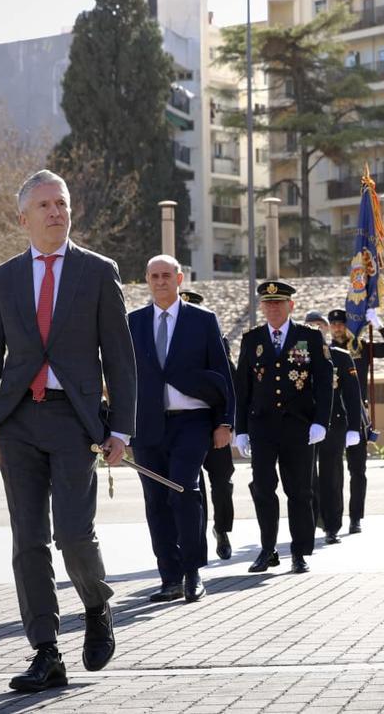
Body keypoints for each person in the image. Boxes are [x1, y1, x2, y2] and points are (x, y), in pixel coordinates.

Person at [0, 170, 135, 692]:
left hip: (73, 420)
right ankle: (45, 651)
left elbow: (121, 360)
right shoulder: (4, 278)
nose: (55, 212)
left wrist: (121, 431)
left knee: (73, 534)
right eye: (43, 205)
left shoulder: (97, 272)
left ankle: (97, 605)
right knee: (29, 541)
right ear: (24, 218)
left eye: (61, 203)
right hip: (17, 420)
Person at [128, 258, 234, 604]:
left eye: (166, 276)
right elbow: (121, 379)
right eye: (154, 276)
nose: (160, 282)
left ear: (179, 279)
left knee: (184, 491)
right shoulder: (134, 323)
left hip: (192, 421)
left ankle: (192, 572)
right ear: (147, 280)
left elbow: (222, 374)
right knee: (156, 502)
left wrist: (224, 422)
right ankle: (169, 576)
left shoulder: (202, 320)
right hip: (148, 426)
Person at [234, 281, 332, 574]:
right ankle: (268, 550)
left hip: (299, 426)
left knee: (299, 490)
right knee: (263, 488)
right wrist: (240, 429)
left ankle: (300, 552)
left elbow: (325, 383)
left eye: (279, 303)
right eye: (268, 303)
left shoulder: (309, 337)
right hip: (262, 426)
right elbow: (243, 387)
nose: (273, 308)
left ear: (291, 306)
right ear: (261, 307)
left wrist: (320, 421)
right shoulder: (252, 339)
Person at [328, 307, 384, 533]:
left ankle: (355, 517)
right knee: (331, 471)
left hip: (358, 414)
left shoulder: (360, 347)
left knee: (357, 470)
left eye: (341, 323)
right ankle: (332, 519)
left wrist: (379, 326)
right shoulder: (325, 350)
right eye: (334, 324)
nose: (338, 327)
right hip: (332, 414)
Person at [179, 289, 236, 561]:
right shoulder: (170, 346)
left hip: (216, 424)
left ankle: (222, 530)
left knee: (222, 483)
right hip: (186, 426)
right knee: (193, 487)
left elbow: (230, 383)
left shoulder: (216, 342)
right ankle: (196, 538)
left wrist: (229, 423)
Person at [305, 310, 363, 545]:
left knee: (332, 476)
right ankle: (310, 520)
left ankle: (332, 525)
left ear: (327, 329)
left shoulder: (339, 356)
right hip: (304, 424)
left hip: (333, 423)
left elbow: (352, 393)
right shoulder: (296, 355)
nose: (316, 330)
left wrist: (354, 427)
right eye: (310, 326)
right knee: (306, 478)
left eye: (319, 326)